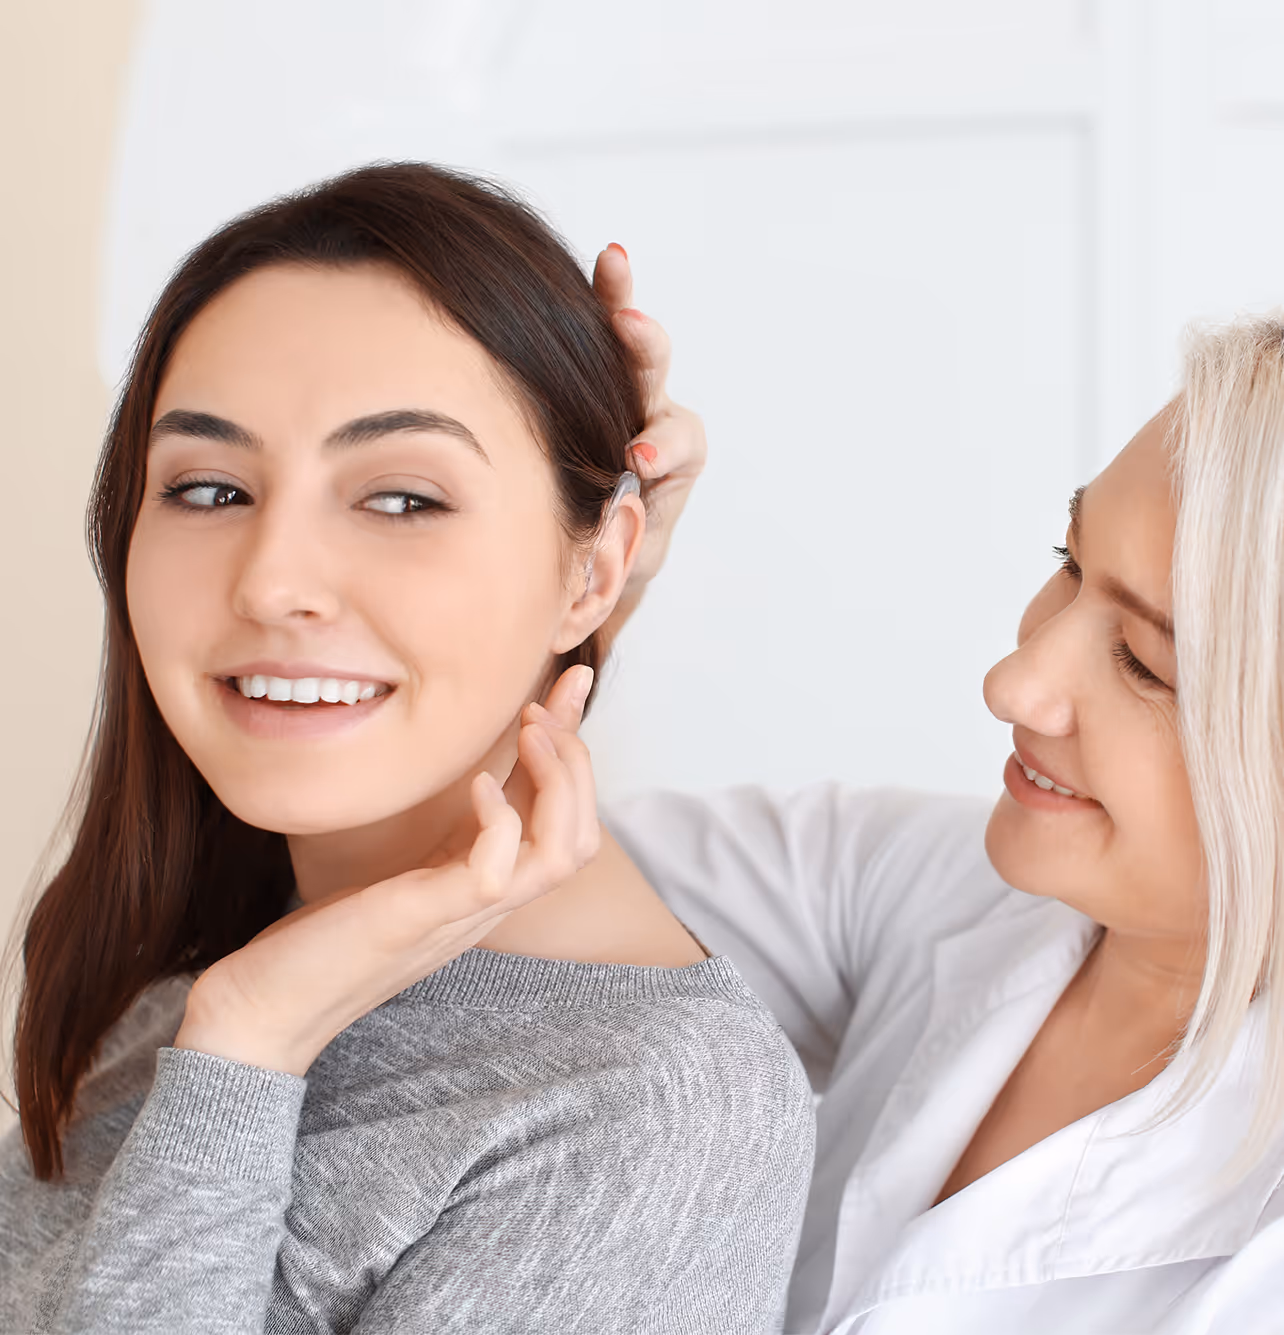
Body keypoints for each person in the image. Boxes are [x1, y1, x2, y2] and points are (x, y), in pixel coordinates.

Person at [0, 164, 814, 1335]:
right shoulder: (221, 912)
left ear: (598, 567)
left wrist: (247, 1048)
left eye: (401, 501)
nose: (272, 581)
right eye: (212, 486)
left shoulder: (647, 1111)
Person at [594, 247, 1284, 1334]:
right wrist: (575, 605)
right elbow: (500, 882)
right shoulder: (944, 886)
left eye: (1149, 665)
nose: (1015, 681)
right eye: (1066, 558)